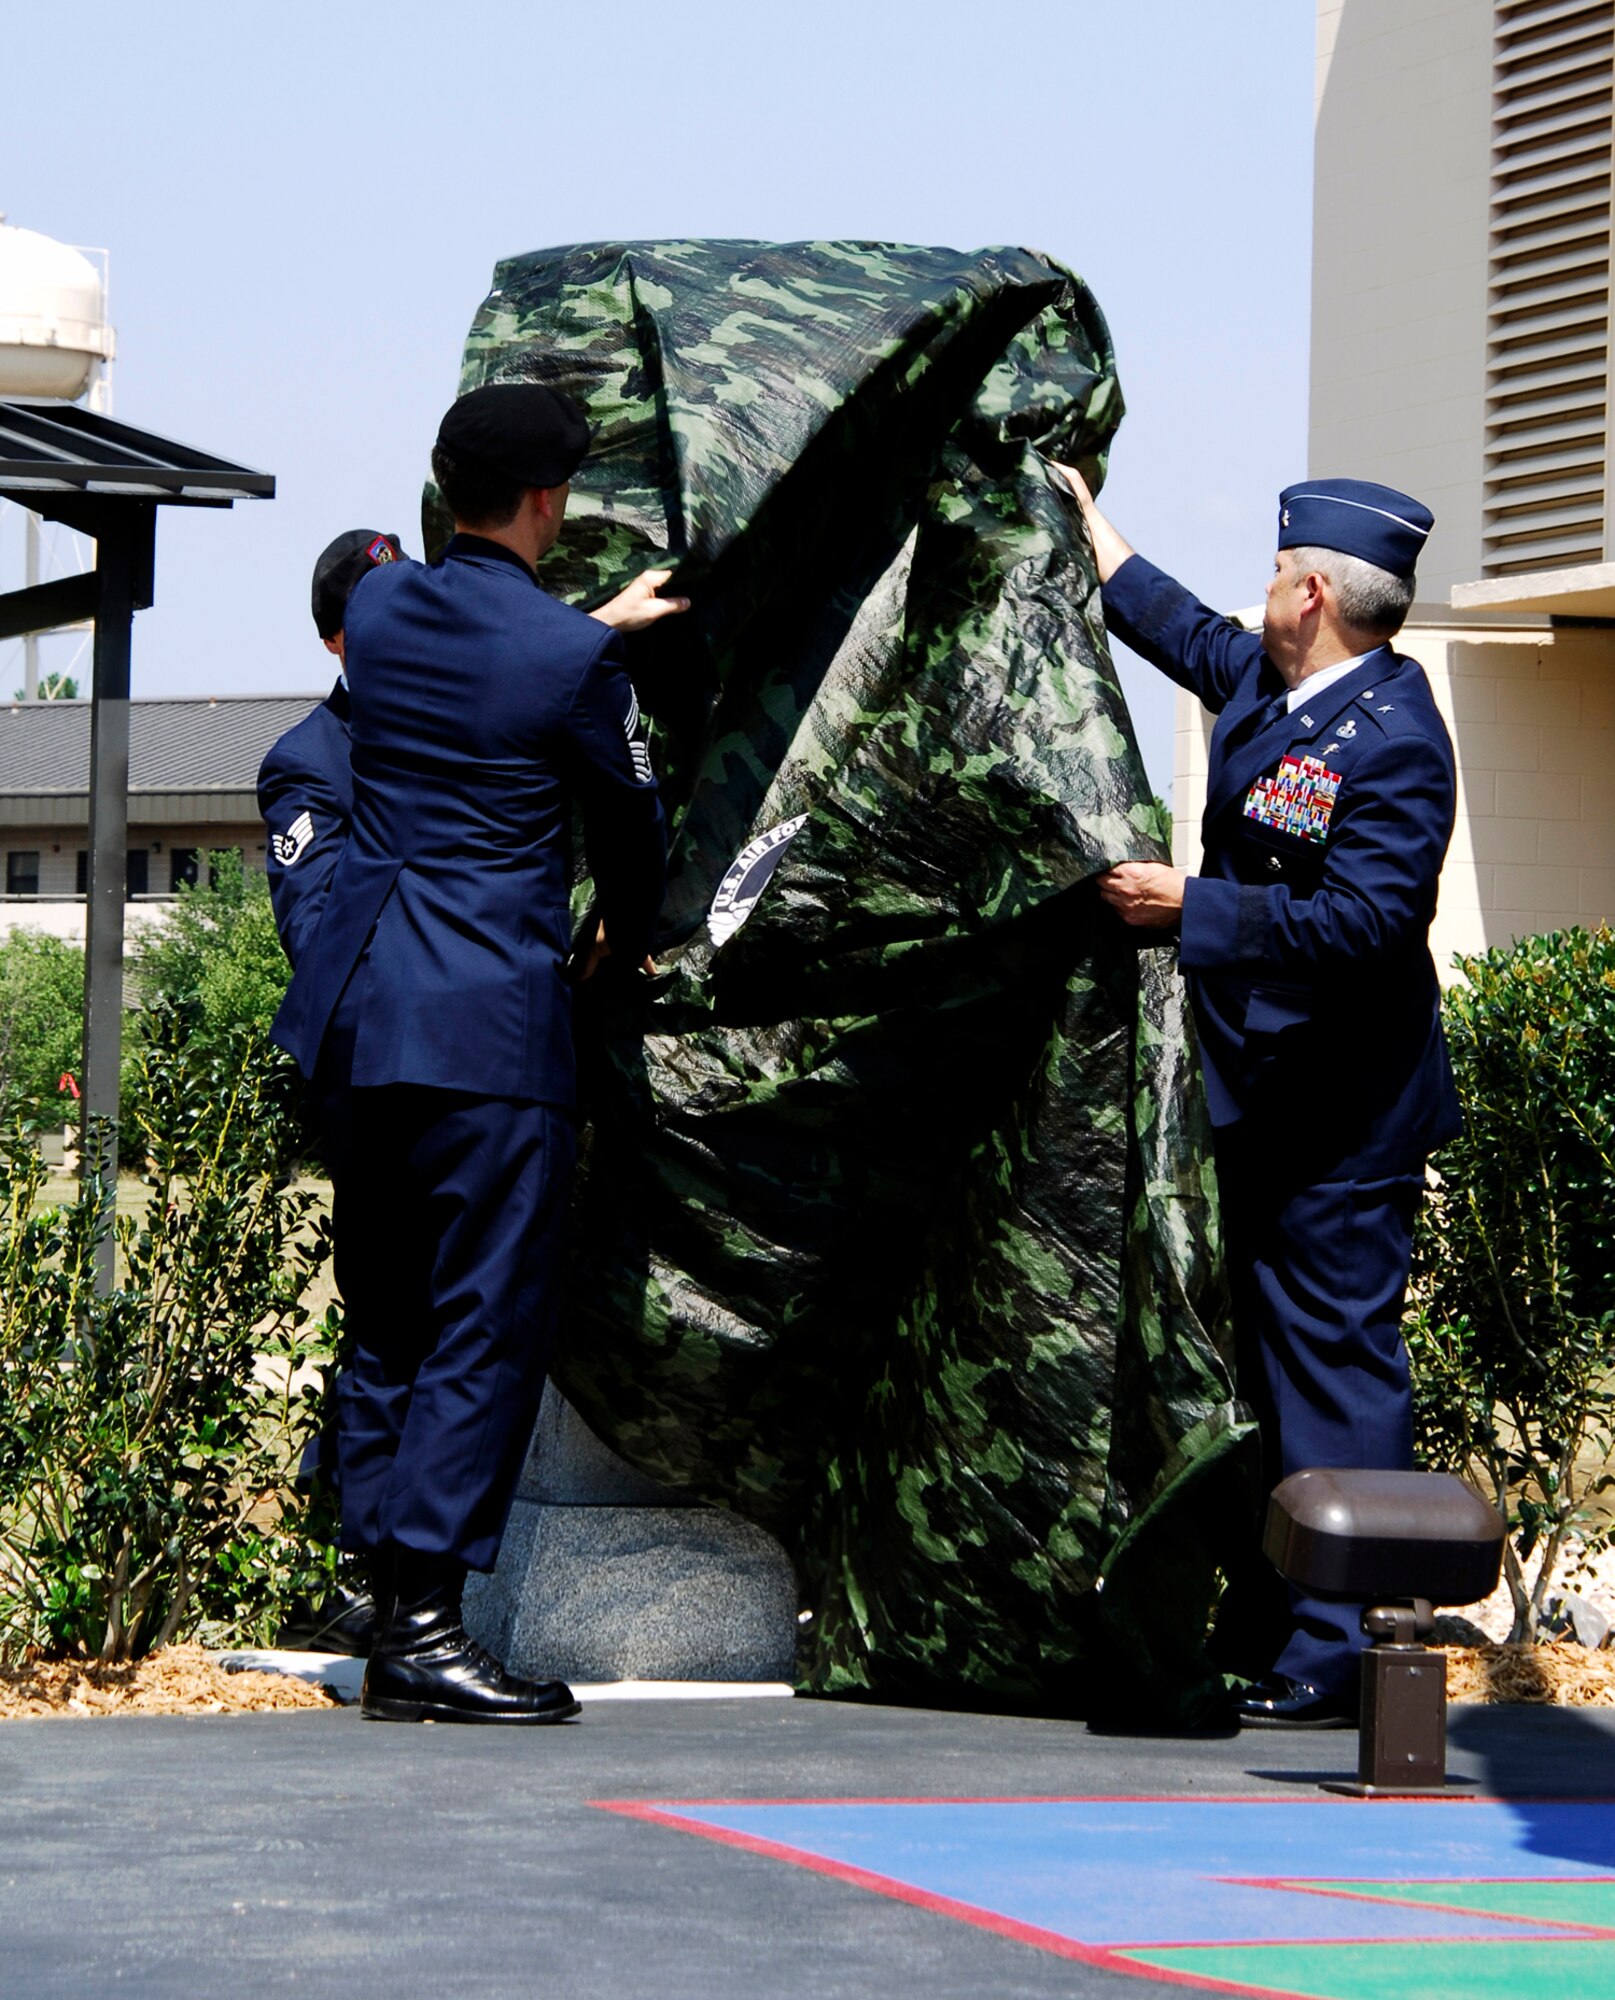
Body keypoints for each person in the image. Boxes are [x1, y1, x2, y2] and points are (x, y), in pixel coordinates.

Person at [270, 382, 675, 1724]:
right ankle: (429, 1631)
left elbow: (463, 662)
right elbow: (630, 833)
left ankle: (379, 1602)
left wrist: (579, 633)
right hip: (490, 1030)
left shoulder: (379, 614)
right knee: (480, 1323)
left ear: (443, 491)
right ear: (549, 504)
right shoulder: (570, 660)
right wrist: (626, 922)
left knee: (385, 1315)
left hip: (365, 1016)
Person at [1054, 464, 1461, 1727]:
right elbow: (1172, 622)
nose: (1265, 587)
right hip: (1255, 1097)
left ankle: (1345, 1646)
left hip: (1341, 1117)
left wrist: (1195, 908)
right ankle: (1281, 1608)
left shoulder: (1393, 738)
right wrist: (1088, 526)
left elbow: (1372, 921)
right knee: (1266, 1373)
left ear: (1314, 591)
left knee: (1333, 1369)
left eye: (1279, 572)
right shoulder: (1273, 683)